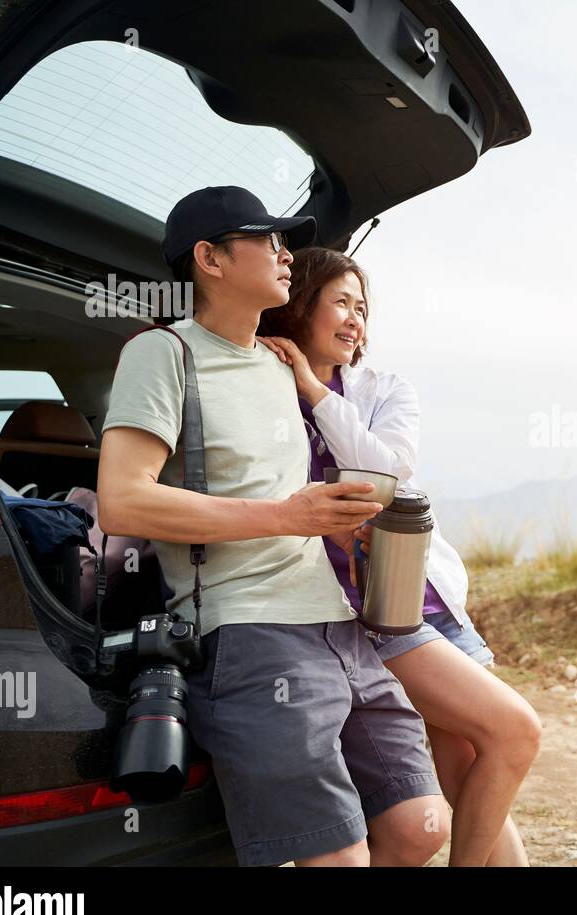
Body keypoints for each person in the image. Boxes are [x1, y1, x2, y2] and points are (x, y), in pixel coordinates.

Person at [98, 186, 449, 867]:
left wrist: (340, 527)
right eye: (269, 240)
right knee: (339, 859)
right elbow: (122, 501)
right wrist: (289, 516)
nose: (287, 254)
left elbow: (277, 492)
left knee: (422, 826)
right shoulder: (162, 353)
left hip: (340, 626)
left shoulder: (278, 363)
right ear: (210, 258)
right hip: (251, 632)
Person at [257, 246, 541, 866]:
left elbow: (385, 474)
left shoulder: (385, 390)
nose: (356, 319)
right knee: (512, 730)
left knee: (470, 755)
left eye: (362, 308)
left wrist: (315, 388)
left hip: (423, 594)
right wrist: (297, 386)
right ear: (300, 304)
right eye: (340, 303)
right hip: (367, 611)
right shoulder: (262, 386)